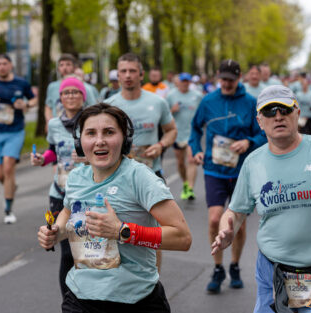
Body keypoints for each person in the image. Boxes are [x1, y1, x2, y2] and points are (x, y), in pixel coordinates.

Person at [212, 85, 311, 313]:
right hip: (272, 271)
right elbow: (235, 211)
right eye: (270, 111)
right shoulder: (253, 163)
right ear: (260, 121)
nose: (278, 116)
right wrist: (227, 230)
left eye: (284, 109)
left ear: (297, 113)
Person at [37, 103, 192, 312]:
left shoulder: (141, 178)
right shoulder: (76, 178)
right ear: (79, 141)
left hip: (136, 300)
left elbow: (182, 238)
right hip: (80, 298)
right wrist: (55, 233)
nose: (99, 141)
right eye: (90, 133)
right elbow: (67, 211)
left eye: (109, 132)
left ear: (124, 139)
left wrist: (122, 231)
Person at [189, 59, 266, 294]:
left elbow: (262, 133)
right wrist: (196, 150)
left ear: (239, 78)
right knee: (215, 219)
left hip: (242, 171)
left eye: (231, 80)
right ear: (217, 77)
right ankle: (218, 267)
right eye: (223, 79)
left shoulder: (250, 103)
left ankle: (234, 265)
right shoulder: (208, 101)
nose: (226, 83)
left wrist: (248, 142)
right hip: (214, 169)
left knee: (238, 226)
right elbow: (195, 128)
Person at [106, 53, 177, 271]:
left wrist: (162, 145)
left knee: (153, 234)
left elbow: (171, 130)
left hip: (150, 174)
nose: (127, 76)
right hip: (117, 177)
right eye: (123, 71)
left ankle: (153, 281)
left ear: (141, 74)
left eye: (132, 71)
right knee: (116, 233)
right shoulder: (108, 106)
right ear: (118, 75)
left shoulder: (157, 102)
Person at [31, 77, 86, 297]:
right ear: (60, 98)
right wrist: (42, 159)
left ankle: (90, 297)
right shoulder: (54, 123)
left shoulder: (92, 121)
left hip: (86, 194)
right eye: (66, 92)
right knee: (66, 251)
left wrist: (87, 158)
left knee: (86, 248)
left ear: (83, 96)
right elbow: (53, 150)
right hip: (59, 193)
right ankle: (69, 302)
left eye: (75, 92)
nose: (71, 96)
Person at [0, 54, 36, 224]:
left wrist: (26, 105)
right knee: (1, 174)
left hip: (15, 131)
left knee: (9, 166)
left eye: (4, 63)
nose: (1, 66)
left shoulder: (21, 83)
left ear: (10, 65)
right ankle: (11, 187)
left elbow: (33, 99)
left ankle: (8, 208)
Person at [166, 72, 202, 200]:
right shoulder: (171, 96)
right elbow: (164, 116)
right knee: (180, 163)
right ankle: (185, 183)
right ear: (179, 82)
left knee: (191, 160)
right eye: (183, 81)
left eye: (188, 81)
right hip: (177, 133)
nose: (185, 83)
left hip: (192, 134)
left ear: (190, 82)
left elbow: (203, 112)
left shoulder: (197, 96)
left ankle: (190, 189)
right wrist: (172, 111)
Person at [45, 54, 97, 123]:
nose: (64, 68)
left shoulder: (84, 86)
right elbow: (48, 106)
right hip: (58, 124)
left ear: (74, 67)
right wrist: (49, 121)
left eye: (68, 64)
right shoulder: (52, 86)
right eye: (61, 65)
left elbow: (92, 106)